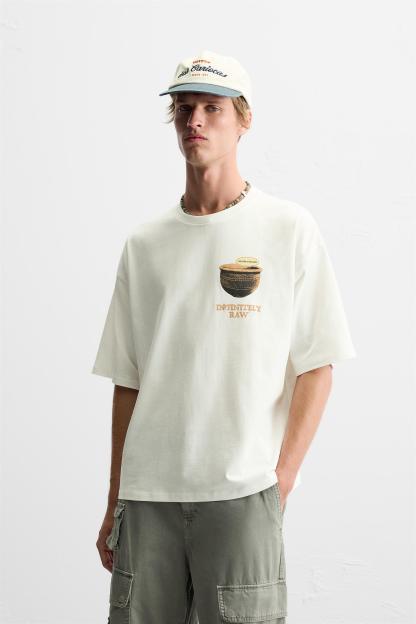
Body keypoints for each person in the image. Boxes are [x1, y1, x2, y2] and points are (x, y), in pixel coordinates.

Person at [92, 49, 357, 624]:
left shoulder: (288, 228)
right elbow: (128, 381)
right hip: (148, 499)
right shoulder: (144, 245)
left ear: (244, 120)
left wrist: (281, 480)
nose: (195, 121)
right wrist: (114, 500)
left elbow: (318, 365)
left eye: (212, 108)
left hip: (242, 494)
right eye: (185, 108)